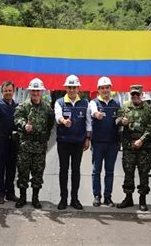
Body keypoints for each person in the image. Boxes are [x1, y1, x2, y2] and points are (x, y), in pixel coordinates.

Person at [116, 85, 151, 211]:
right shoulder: (125, 107)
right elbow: (116, 120)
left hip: (144, 148)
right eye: (133, 95)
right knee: (128, 173)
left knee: (143, 174)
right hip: (129, 147)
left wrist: (142, 139)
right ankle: (128, 198)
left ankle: (142, 200)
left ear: (142, 94)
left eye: (137, 94)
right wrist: (121, 121)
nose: (135, 97)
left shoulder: (148, 109)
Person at [14, 78, 54, 209]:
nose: (36, 93)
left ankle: (35, 198)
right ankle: (23, 197)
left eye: (38, 90)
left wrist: (44, 138)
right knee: (23, 173)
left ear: (42, 91)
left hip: (40, 147)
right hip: (25, 145)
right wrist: (24, 125)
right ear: (30, 91)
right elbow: (17, 118)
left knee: (38, 173)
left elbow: (50, 125)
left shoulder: (47, 108)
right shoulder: (23, 106)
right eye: (33, 90)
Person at [55, 75, 91, 210]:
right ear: (66, 88)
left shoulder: (85, 103)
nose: (71, 90)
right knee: (63, 170)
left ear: (78, 88)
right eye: (69, 87)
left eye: (74, 87)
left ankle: (74, 199)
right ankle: (63, 199)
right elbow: (58, 115)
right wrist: (63, 121)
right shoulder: (59, 102)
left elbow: (88, 122)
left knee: (76, 170)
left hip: (78, 142)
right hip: (63, 142)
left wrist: (87, 138)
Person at [89, 76, 120, 207]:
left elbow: (120, 119)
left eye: (107, 87)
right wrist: (96, 114)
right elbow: (93, 112)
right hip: (98, 143)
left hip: (112, 143)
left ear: (110, 89)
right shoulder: (93, 102)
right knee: (96, 171)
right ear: (98, 90)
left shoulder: (116, 104)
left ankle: (108, 197)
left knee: (110, 171)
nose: (105, 90)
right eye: (102, 88)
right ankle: (97, 196)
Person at [0, 81, 19, 204]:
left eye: (10, 90)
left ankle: (10, 193)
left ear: (13, 91)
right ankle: (0, 194)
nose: (8, 92)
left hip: (13, 141)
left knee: (11, 168)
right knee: (0, 168)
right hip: (0, 140)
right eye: (5, 91)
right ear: (2, 92)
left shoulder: (17, 105)